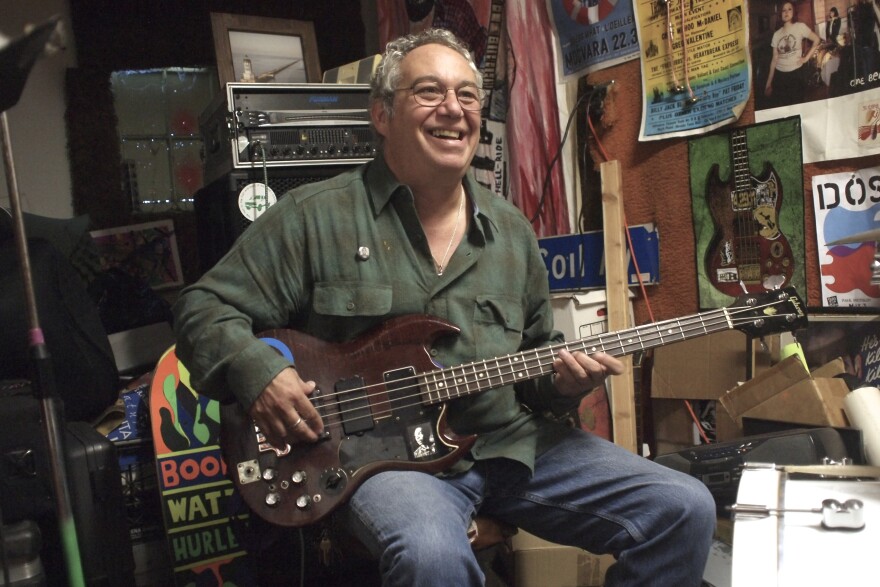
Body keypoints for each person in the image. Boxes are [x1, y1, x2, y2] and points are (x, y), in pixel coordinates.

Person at [173, 28, 716, 586]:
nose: (453, 109)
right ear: (382, 114)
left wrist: (563, 384)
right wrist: (261, 373)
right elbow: (203, 307)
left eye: (467, 95)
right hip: (381, 460)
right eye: (429, 91)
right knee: (431, 555)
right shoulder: (314, 217)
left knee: (682, 507)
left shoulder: (511, 232)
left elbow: (535, 361)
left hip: (509, 446)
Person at [764, 1, 822, 106]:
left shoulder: (800, 27)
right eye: (783, 10)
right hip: (780, 76)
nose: (786, 12)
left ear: (793, 12)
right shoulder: (776, 34)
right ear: (780, 14)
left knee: (797, 105)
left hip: (796, 75)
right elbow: (774, 59)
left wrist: (806, 58)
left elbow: (816, 40)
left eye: (789, 9)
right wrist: (768, 83)